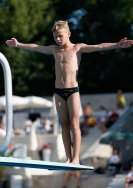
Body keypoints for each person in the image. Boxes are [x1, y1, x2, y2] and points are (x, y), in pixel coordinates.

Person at [5, 20, 133, 164]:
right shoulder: (54, 49)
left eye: (60, 36)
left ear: (68, 34)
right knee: (64, 125)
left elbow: (98, 46)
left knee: (74, 124)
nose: (58, 39)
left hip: (72, 91)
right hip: (58, 91)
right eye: (55, 37)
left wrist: (117, 45)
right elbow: (36, 47)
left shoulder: (78, 48)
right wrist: (18, 44)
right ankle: (68, 158)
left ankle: (76, 158)